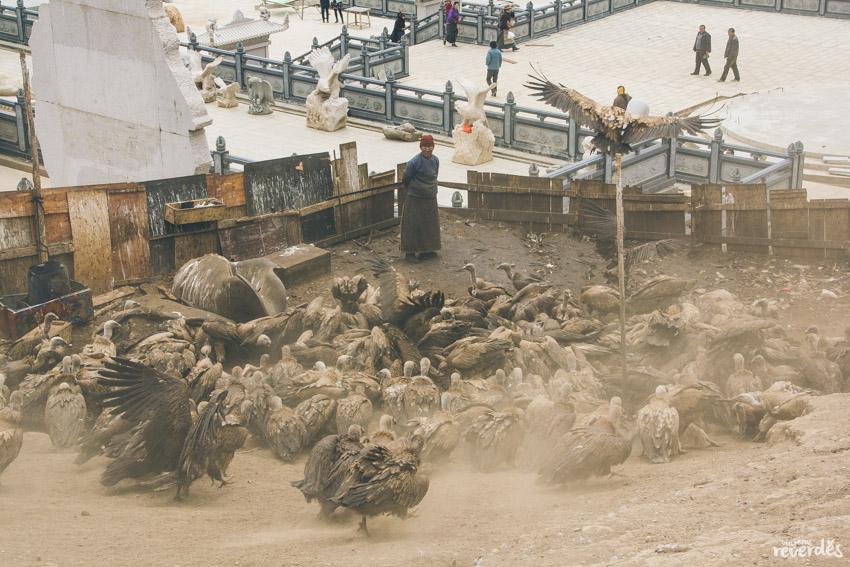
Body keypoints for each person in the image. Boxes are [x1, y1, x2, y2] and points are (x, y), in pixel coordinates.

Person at [400, 135, 441, 260]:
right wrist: (416, 188)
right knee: (413, 224)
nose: (427, 149)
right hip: (416, 198)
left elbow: (435, 175)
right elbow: (406, 178)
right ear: (421, 147)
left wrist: (429, 189)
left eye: (430, 146)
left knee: (429, 224)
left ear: (433, 147)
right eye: (425, 146)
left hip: (430, 197)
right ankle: (410, 252)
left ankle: (426, 250)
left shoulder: (435, 160)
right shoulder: (414, 162)